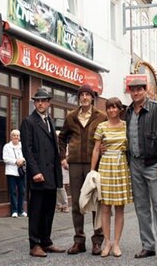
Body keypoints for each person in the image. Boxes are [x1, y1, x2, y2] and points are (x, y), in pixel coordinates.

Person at [125, 78, 157, 264]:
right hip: (135, 164)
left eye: (139, 90)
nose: (136, 93)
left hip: (154, 163)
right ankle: (148, 246)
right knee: (141, 207)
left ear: (145, 91)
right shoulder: (128, 111)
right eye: (133, 90)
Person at [58, 84, 107, 255]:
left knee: (96, 202)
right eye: (82, 95)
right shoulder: (71, 116)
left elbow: (107, 137)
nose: (85, 97)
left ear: (93, 98)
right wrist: (63, 157)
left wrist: (105, 150)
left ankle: (97, 241)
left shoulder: (101, 116)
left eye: (88, 94)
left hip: (96, 164)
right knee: (78, 203)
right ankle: (79, 241)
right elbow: (62, 137)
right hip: (75, 164)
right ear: (79, 98)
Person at [20, 88, 66, 257]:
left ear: (48, 103)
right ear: (34, 103)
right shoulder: (29, 122)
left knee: (48, 210)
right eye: (37, 101)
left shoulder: (50, 121)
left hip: (51, 174)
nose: (40, 103)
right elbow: (27, 149)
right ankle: (35, 244)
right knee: (36, 211)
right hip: (39, 175)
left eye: (43, 100)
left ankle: (46, 242)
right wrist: (35, 171)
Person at [90, 97, 132, 258]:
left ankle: (116, 243)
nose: (112, 110)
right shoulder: (101, 126)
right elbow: (95, 150)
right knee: (105, 207)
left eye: (115, 107)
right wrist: (92, 172)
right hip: (105, 166)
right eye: (109, 107)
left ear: (120, 109)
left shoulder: (126, 126)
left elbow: (132, 146)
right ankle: (107, 241)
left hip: (121, 165)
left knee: (120, 207)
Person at [2, 129, 27, 218]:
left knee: (22, 191)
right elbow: (5, 158)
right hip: (11, 172)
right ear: (11, 137)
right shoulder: (7, 146)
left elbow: (26, 156)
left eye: (18, 136)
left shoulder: (22, 146)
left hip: (21, 172)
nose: (16, 137)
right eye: (14, 135)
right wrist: (16, 161)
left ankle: (21, 210)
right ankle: (14, 211)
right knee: (12, 191)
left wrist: (23, 160)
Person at [56, 131, 70, 213]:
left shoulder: (66, 146)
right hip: (56, 168)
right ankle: (59, 205)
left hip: (63, 168)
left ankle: (65, 205)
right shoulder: (54, 146)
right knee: (57, 188)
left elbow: (67, 156)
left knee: (62, 187)